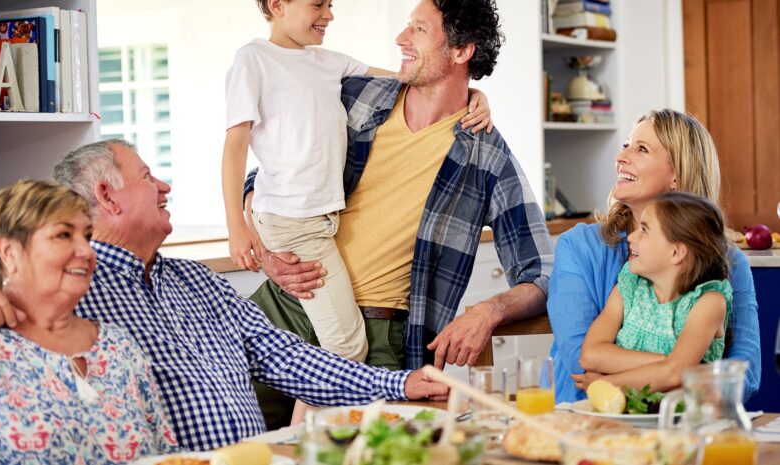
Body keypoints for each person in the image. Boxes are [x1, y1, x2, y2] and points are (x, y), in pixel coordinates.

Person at [0, 140, 449, 452]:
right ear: (108, 197)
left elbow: (288, 358)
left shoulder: (197, 282)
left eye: (78, 236)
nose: (164, 186)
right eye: (147, 176)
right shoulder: (72, 291)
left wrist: (401, 383)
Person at [241, 0, 553, 426]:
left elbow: (541, 272)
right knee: (220, 440)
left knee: (339, 452)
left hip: (376, 341)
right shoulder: (356, 97)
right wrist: (263, 249)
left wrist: (489, 310)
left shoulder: (488, 158)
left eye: (418, 30)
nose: (401, 38)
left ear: (461, 51)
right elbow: (267, 174)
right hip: (286, 307)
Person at [0, 180, 178, 464]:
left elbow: (168, 457)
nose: (87, 252)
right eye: (64, 235)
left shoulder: (119, 345)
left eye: (86, 236)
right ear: (9, 252)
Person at [548, 109, 761, 403]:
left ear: (677, 174)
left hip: (683, 419)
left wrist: (676, 372)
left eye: (642, 149)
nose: (620, 157)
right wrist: (683, 368)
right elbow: (581, 362)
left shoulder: (728, 261)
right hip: (587, 414)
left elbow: (744, 375)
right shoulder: (579, 246)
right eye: (626, 145)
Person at [575, 192, 732, 392]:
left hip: (682, 412)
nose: (631, 236)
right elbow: (590, 355)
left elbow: (674, 374)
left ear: (675, 252)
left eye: (644, 230)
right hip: (625, 410)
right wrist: (671, 364)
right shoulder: (629, 288)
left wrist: (606, 383)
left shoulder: (709, 303)